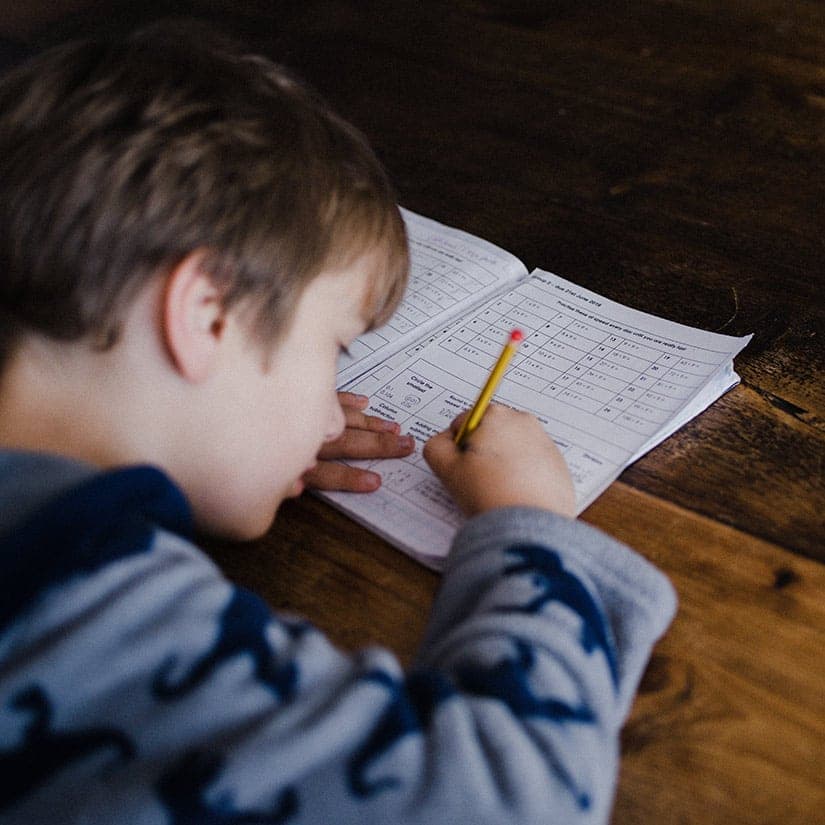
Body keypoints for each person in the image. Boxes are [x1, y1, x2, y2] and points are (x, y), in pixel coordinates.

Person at [0, 23, 676, 825]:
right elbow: (516, 801)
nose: (331, 409)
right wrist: (526, 527)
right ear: (208, 316)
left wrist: (212, 452)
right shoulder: (75, 601)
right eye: (334, 348)